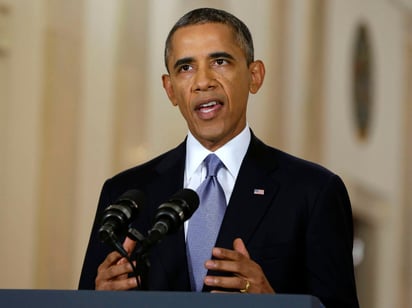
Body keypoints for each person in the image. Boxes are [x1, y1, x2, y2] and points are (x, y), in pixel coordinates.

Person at [79, 7, 359, 307]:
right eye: (185, 68)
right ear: (170, 89)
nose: (203, 81)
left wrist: (274, 302)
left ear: (255, 76)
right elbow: (83, 299)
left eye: (220, 61)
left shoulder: (313, 191)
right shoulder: (125, 193)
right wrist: (96, 301)